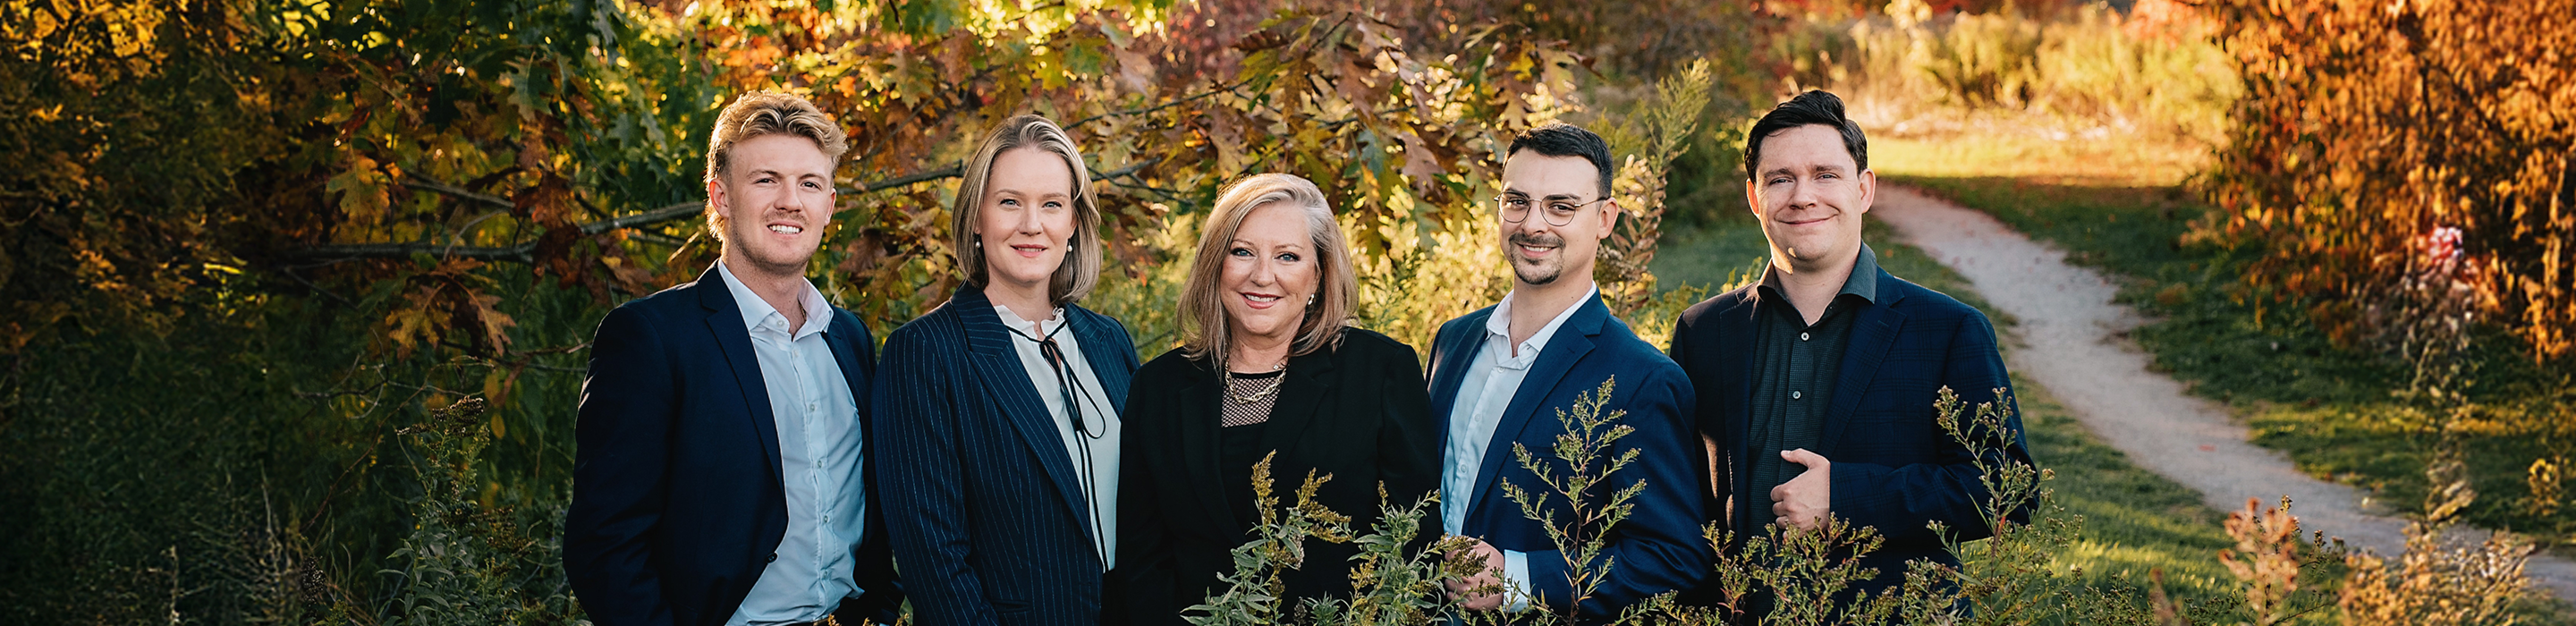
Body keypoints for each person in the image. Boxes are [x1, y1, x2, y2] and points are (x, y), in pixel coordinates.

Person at [1666, 90, 2033, 600]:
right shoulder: (1703, 332)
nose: (1802, 195)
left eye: (1825, 174)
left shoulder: (1948, 329)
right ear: (1754, 198)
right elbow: (1678, 500)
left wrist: (1848, 497)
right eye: (1780, 179)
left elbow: (2006, 491)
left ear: (1863, 190)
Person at [564, 91, 902, 626]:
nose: (790, 201)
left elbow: (877, 513)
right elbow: (604, 547)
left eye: (809, 184)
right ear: (721, 196)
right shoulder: (651, 339)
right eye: (766, 179)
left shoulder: (850, 339)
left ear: (829, 206)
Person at [1111, 174, 1441, 623]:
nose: (1262, 276)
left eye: (1288, 256)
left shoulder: (1381, 372)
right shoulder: (1158, 387)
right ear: (1215, 263)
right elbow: (1141, 561)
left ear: (1318, 275)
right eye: (1242, 252)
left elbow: (1416, 546)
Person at [1428, 123, 1708, 620]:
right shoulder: (1455, 339)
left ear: (1604, 218)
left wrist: (1515, 578)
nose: (1533, 224)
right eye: (1517, 201)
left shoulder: (1642, 380)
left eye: (1561, 207)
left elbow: (1674, 559)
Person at [875, 114, 1139, 625]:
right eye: (1010, 202)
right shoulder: (925, 353)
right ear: (977, 217)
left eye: (1052, 205)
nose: (1031, 225)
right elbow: (934, 558)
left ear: (1074, 223)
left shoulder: (1108, 341)